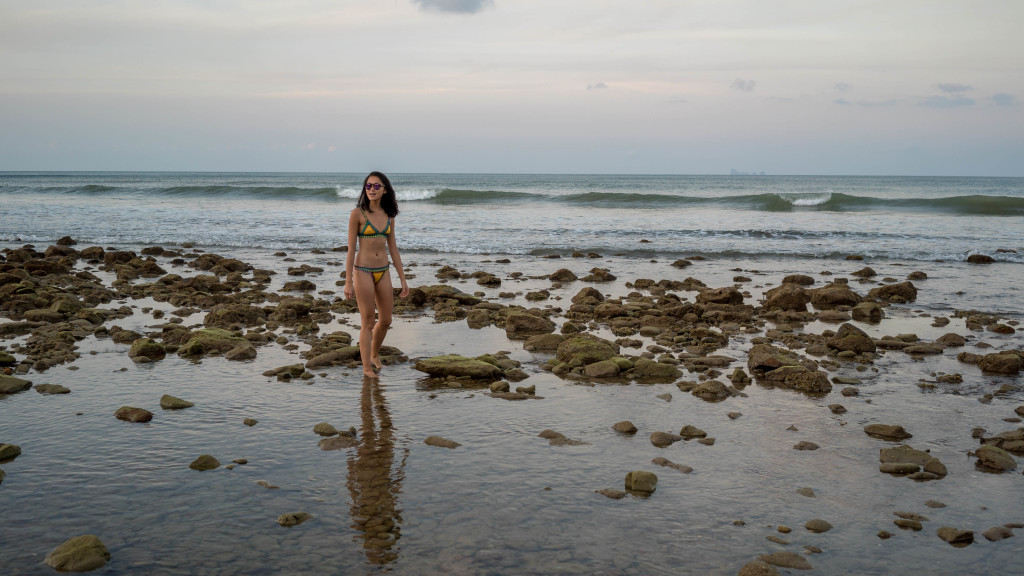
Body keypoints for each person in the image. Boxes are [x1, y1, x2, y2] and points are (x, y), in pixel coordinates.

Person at [344, 171, 409, 378]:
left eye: (376, 186)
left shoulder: (389, 216)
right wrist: (348, 282)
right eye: (368, 186)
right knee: (368, 321)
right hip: (362, 270)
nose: (371, 189)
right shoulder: (357, 214)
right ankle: (366, 368)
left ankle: (374, 354)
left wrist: (403, 278)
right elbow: (350, 249)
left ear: (385, 190)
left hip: (384, 270)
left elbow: (393, 248)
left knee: (387, 320)